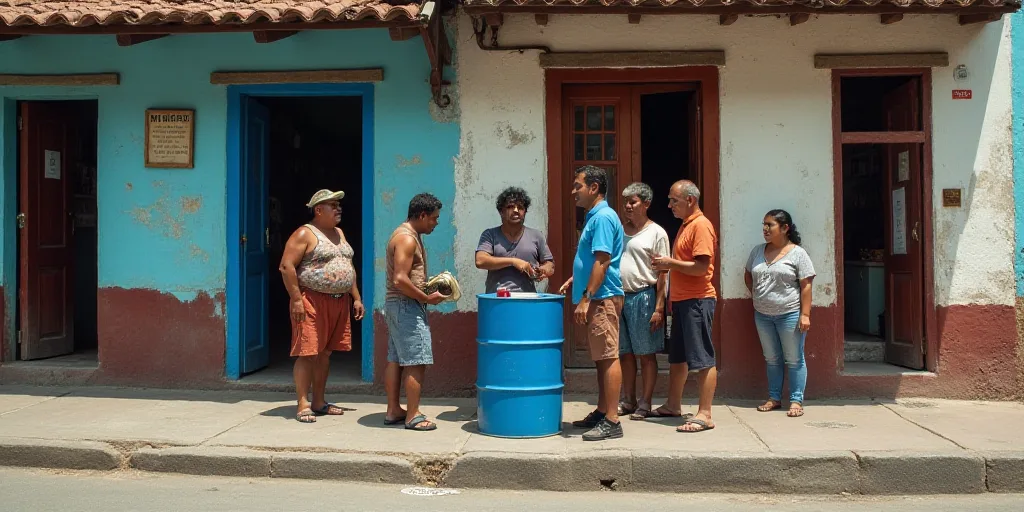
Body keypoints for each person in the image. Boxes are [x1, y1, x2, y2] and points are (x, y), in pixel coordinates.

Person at [278, 189, 365, 423]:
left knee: (325, 353)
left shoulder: (339, 233)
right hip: (311, 300)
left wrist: (356, 297)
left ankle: (319, 401)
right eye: (333, 205)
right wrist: (297, 300)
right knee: (308, 353)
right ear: (318, 210)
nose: (339, 209)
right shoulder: (305, 233)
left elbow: (347, 265)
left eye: (339, 205)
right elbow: (286, 266)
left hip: (338, 301)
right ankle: (303, 403)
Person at [558, 165, 625, 441]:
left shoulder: (604, 218)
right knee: (600, 357)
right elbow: (591, 260)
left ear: (594, 188)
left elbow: (603, 260)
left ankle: (612, 420)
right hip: (596, 294)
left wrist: (586, 297)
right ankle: (602, 410)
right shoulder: (594, 217)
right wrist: (577, 279)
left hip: (602, 297)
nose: (573, 191)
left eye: (578, 186)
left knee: (608, 356)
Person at [650, 180, 718, 433]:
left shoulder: (701, 225)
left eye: (674, 200)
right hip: (681, 301)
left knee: (702, 358)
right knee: (677, 357)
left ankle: (705, 413)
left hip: (697, 300)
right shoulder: (687, 225)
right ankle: (673, 405)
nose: (669, 206)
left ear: (690, 200)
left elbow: (702, 267)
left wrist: (670, 263)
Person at [384, 193, 447, 431]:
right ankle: (413, 415)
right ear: (421, 215)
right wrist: (426, 297)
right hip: (406, 306)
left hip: (397, 305)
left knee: (396, 359)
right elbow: (400, 279)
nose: (436, 223)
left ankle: (394, 410)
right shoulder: (407, 239)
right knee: (416, 361)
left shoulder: (406, 235)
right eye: (434, 218)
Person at [744, 209, 815, 418]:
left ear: (785, 228)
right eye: (764, 225)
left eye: (770, 225)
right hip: (762, 315)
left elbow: (806, 285)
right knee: (772, 358)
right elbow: (748, 274)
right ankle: (774, 398)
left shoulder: (798, 253)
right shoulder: (757, 251)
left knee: (794, 359)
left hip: (789, 314)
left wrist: (805, 314)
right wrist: (757, 295)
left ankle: (796, 400)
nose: (765, 229)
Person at [616, 182, 670, 421]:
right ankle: (628, 399)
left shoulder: (656, 233)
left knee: (646, 353)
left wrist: (659, 307)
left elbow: (663, 273)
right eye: (625, 202)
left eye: (633, 202)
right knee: (625, 353)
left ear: (646, 204)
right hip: (619, 296)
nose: (627, 206)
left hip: (644, 296)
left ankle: (645, 401)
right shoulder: (619, 230)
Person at [475, 186, 555, 293]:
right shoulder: (490, 235)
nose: (516, 210)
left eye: (520, 207)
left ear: (525, 212)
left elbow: (550, 265)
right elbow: (480, 261)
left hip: (527, 299)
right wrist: (513, 262)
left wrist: (542, 270)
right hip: (497, 298)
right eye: (510, 207)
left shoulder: (536, 235)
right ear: (501, 212)